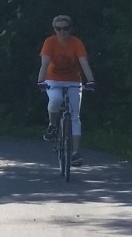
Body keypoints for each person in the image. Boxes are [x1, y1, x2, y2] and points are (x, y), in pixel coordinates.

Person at [37, 14, 96, 165]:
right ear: (54, 30)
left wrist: (90, 81)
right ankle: (52, 125)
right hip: (53, 79)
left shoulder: (76, 43)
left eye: (65, 28)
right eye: (59, 29)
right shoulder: (50, 42)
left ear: (70, 29)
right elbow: (45, 63)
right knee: (55, 99)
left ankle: (75, 152)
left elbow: (83, 62)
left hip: (73, 80)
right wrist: (40, 81)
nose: (62, 32)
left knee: (75, 116)